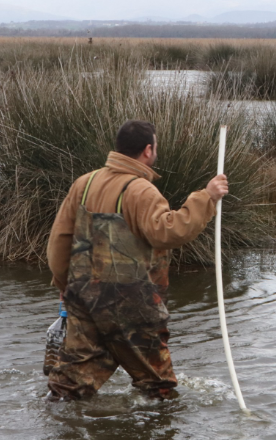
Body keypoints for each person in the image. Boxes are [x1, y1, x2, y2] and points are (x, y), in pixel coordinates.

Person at [45, 120, 228, 400]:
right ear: (147, 150)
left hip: (84, 302)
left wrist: (64, 286)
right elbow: (167, 233)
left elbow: (59, 242)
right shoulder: (141, 190)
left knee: (67, 388)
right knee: (158, 388)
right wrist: (207, 198)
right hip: (131, 309)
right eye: (155, 147)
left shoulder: (85, 182)